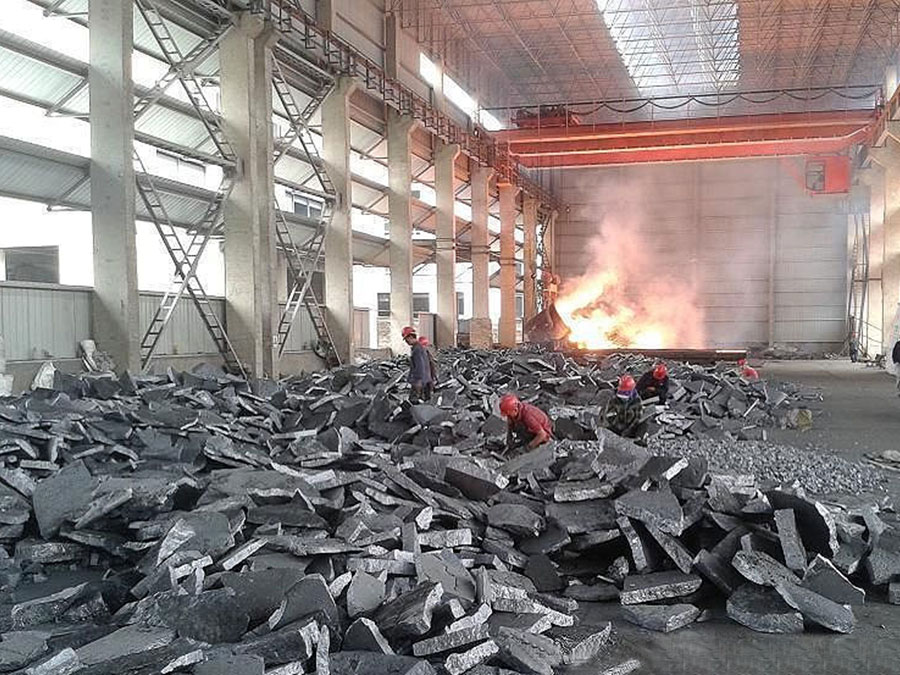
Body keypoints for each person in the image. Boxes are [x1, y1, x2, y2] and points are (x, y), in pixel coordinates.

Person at [600, 375, 647, 441]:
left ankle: (637, 440)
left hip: (630, 428)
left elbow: (637, 418)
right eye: (622, 392)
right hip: (617, 426)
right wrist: (616, 425)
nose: (623, 396)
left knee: (644, 423)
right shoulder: (614, 399)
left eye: (626, 392)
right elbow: (608, 416)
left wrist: (628, 430)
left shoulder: (637, 401)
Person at [402, 326, 432, 402]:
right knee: (424, 403)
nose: (406, 341)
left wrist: (418, 381)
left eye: (406, 339)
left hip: (420, 382)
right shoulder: (419, 348)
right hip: (424, 381)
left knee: (415, 403)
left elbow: (420, 366)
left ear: (411, 337)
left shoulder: (417, 349)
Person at [418, 336, 438, 400]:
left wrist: (434, 377)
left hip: (427, 377)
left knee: (427, 392)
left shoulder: (426, 354)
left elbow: (432, 366)